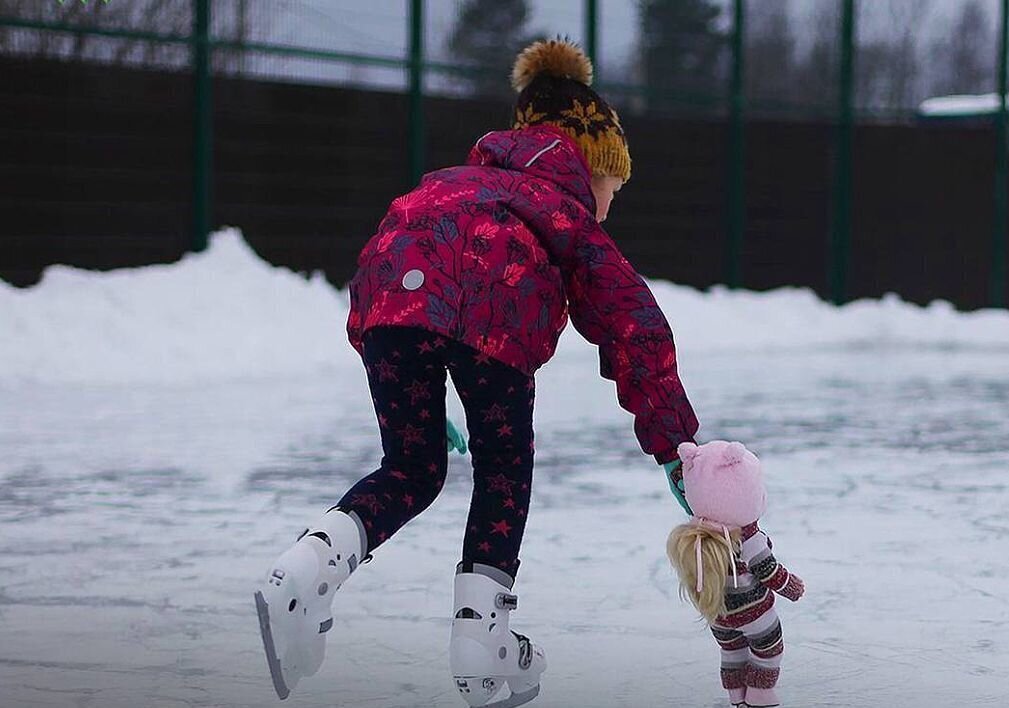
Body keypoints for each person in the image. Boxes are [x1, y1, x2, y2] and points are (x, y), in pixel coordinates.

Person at [255, 38, 699, 706]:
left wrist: (406, 377)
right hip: (492, 310)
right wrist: (675, 447)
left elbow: (383, 267)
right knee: (502, 469)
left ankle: (306, 568)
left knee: (412, 466)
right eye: (612, 185)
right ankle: (481, 637)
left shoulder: (450, 183)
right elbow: (632, 324)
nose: (610, 203)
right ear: (587, 166)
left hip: (390, 303)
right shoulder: (566, 212)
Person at [666, 441, 805, 708]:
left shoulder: (697, 536)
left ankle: (737, 697)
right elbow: (769, 572)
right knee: (768, 649)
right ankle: (760, 696)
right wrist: (792, 587)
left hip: (719, 616)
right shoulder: (748, 538)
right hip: (755, 615)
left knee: (732, 652)